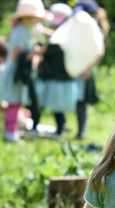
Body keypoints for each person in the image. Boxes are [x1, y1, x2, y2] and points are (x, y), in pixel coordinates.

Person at [0, 0, 48, 142]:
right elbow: (17, 55)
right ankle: (11, 133)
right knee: (14, 102)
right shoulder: (21, 31)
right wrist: (36, 52)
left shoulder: (23, 30)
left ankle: (11, 130)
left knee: (15, 102)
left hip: (16, 71)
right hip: (16, 73)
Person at [32, 2, 77, 139]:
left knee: (43, 105)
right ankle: (58, 131)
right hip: (59, 78)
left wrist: (38, 45)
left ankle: (40, 129)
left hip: (53, 78)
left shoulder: (58, 40)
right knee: (56, 108)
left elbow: (45, 51)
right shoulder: (68, 37)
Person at [71, 0, 108, 140]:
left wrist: (88, 69)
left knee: (81, 101)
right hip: (79, 68)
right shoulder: (83, 27)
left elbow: (99, 52)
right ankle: (78, 131)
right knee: (77, 99)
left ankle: (81, 132)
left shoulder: (94, 28)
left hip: (85, 70)